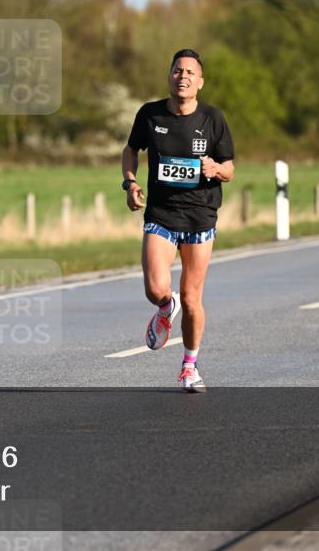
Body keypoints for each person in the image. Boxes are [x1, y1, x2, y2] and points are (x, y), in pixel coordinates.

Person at [120, 49, 235, 392]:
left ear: (200, 82)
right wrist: (130, 182)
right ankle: (164, 307)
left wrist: (215, 169)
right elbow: (130, 150)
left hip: (200, 215)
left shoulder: (213, 119)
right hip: (162, 214)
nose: (182, 76)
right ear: (169, 76)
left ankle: (189, 366)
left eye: (189, 72)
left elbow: (229, 167)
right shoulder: (149, 114)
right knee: (156, 289)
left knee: (191, 298)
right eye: (177, 70)